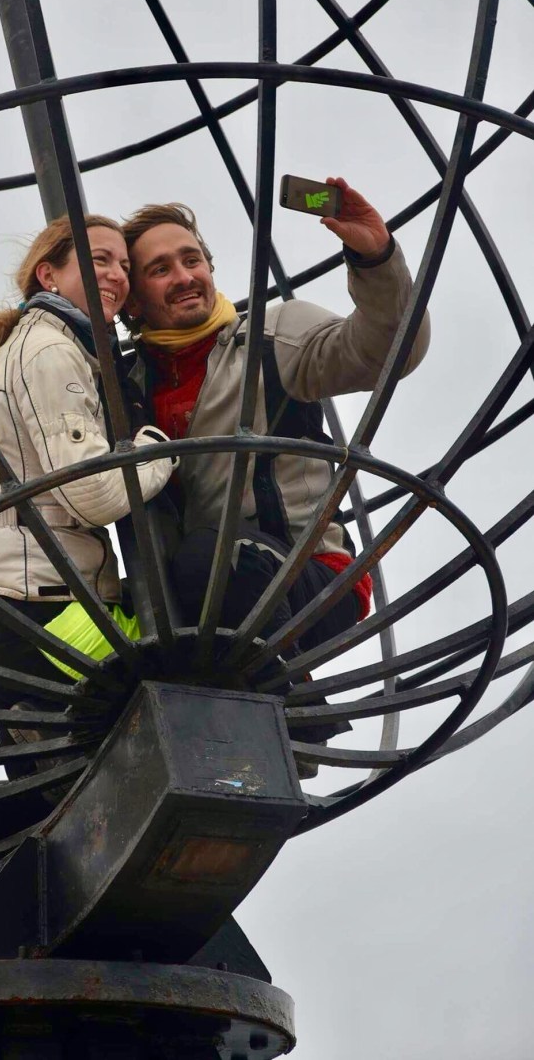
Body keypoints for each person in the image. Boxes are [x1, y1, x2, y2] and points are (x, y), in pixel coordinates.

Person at [122, 178, 430, 759]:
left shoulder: (272, 333)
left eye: (192, 260)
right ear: (132, 300)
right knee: (135, 621)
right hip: (200, 601)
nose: (184, 276)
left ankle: (289, 708)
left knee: (212, 556)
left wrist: (375, 259)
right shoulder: (127, 387)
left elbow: (391, 350)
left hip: (310, 578)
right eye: (160, 269)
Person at [0, 214, 173, 841]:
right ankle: (33, 761)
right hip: (44, 608)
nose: (118, 275)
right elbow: (94, 494)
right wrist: (159, 449)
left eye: (124, 265)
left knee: (59, 812)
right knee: (154, 701)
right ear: (47, 274)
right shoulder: (52, 351)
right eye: (99, 260)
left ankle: (15, 806)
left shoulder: (22, 347)